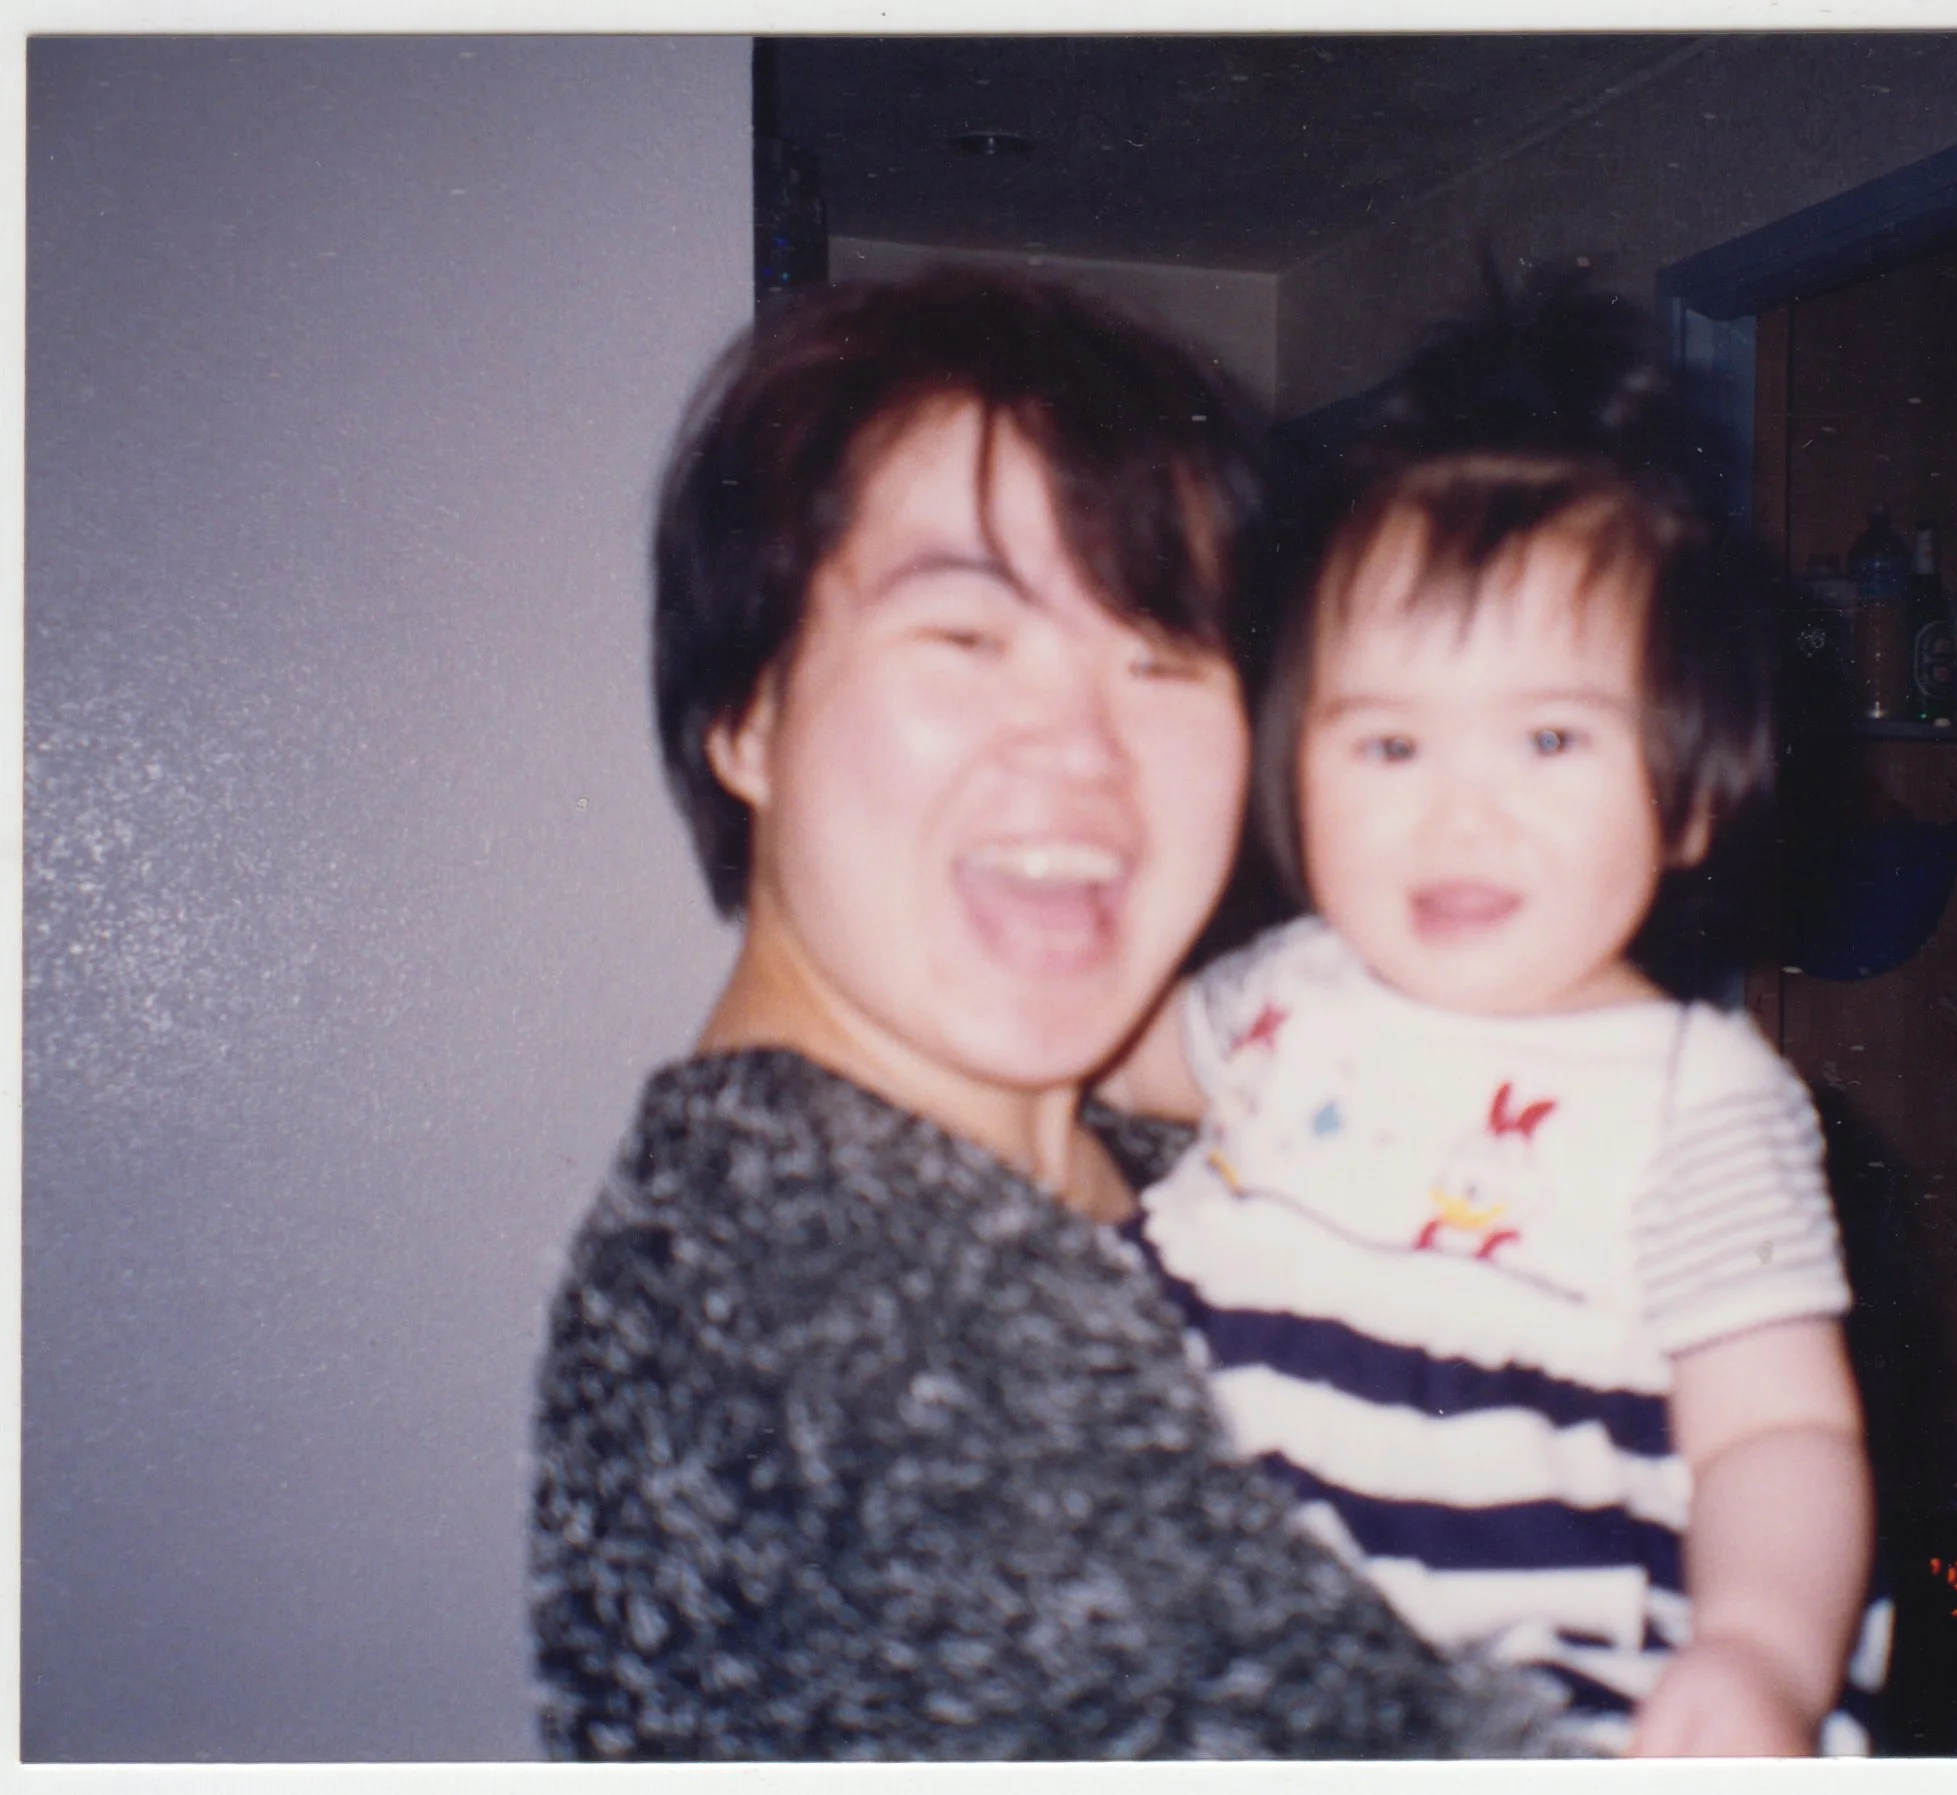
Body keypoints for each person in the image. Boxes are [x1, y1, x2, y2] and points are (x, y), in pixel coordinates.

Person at [528, 271, 1567, 1760]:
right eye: (968, 637)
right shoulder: (855, 1309)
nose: (1085, 749)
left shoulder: (1098, 1163)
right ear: (746, 710)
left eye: (1162, 657)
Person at [1103, 283, 1887, 1756]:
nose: (1460, 810)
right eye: (1390, 741)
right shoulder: (1286, 987)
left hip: (1518, 1691)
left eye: (1548, 736)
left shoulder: (1695, 1100)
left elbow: (1778, 1431)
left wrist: (1762, 1650)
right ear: (1295, 773)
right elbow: (1108, 1058)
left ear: (1696, 790)